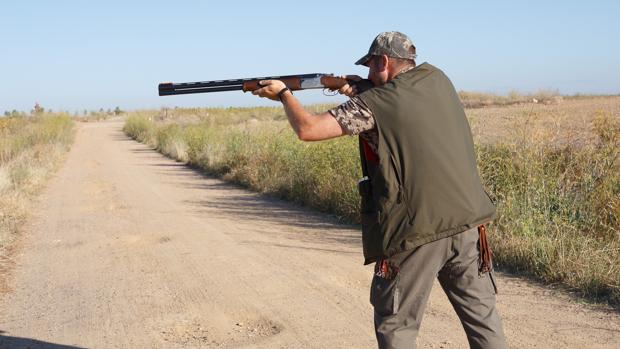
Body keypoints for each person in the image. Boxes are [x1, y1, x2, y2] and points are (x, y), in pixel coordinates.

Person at [252, 31, 506, 349]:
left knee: (397, 327)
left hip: (415, 233)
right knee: (483, 321)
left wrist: (285, 94)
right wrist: (360, 87)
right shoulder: (439, 80)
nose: (369, 73)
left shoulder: (374, 102)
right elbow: (402, 102)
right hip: (468, 223)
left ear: (384, 61)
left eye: (371, 66)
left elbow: (308, 129)